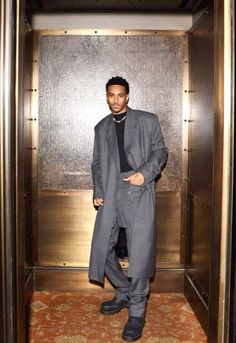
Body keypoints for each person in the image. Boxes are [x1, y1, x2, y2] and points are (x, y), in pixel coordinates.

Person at [89, 76, 168, 341]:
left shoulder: (147, 120)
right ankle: (123, 291)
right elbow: (97, 163)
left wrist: (144, 173)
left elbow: (160, 151)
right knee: (102, 247)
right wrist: (98, 190)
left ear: (127, 96)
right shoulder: (101, 128)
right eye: (111, 95)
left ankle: (137, 311)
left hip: (138, 189)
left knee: (140, 251)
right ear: (106, 96)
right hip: (112, 190)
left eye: (120, 95)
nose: (115, 100)